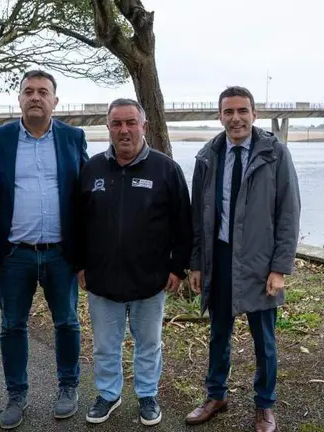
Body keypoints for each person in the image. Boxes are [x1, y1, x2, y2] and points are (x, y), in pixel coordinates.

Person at [185, 86, 301, 432]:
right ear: (219, 115)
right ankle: (215, 395)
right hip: (218, 257)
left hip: (260, 261)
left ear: (254, 114)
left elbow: (288, 212)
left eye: (242, 111)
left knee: (264, 339)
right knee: (218, 332)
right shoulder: (208, 156)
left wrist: (280, 267)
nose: (236, 118)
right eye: (228, 112)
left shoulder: (275, 154)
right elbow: (197, 216)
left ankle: (264, 405)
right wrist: (196, 263)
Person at [0, 70, 88, 429]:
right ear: (20, 99)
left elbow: (85, 196)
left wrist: (85, 251)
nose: (36, 97)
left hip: (60, 252)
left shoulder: (73, 137)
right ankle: (16, 395)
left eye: (44, 92)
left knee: (68, 323)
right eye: (29, 91)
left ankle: (68, 388)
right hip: (15, 254)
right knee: (12, 326)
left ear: (55, 100)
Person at [76, 98, 192, 426]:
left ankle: (147, 395)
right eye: (116, 123)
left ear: (144, 126)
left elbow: (184, 223)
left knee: (149, 344)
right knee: (105, 346)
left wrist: (177, 267)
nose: (124, 130)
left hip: (151, 279)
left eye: (130, 122)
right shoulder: (92, 169)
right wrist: (79, 264)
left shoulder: (165, 169)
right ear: (109, 128)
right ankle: (108, 395)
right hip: (102, 279)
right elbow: (77, 222)